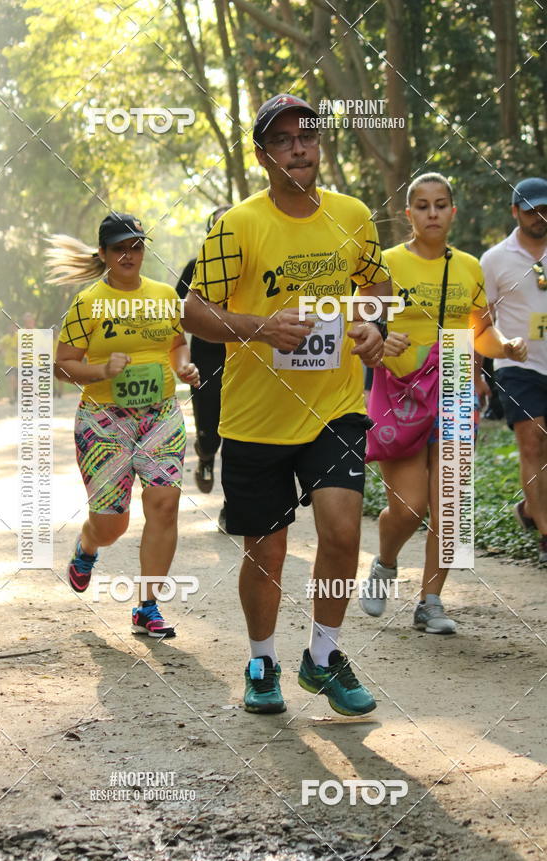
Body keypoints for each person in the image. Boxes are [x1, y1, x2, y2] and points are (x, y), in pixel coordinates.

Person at [183, 93, 396, 716]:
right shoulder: (239, 225)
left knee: (341, 531)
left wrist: (374, 325)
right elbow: (195, 310)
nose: (298, 146)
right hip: (255, 418)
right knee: (267, 548)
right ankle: (262, 660)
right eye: (283, 139)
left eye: (307, 134)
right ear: (262, 154)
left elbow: (377, 288)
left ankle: (324, 656)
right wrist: (259, 328)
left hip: (334, 407)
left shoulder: (353, 215)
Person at [360, 172, 528, 633]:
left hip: (455, 383)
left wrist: (506, 346)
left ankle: (431, 600)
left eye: (440, 205)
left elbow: (482, 333)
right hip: (400, 388)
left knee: (450, 502)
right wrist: (380, 337)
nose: (432, 213)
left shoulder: (470, 267)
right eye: (422, 205)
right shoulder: (386, 265)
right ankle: (386, 562)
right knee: (410, 506)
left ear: (453, 212)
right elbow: (362, 325)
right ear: (409, 213)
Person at [47, 211, 200, 636]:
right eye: (120, 248)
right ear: (104, 254)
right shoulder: (89, 303)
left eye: (136, 246)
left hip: (160, 415)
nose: (130, 254)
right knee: (113, 523)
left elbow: (176, 345)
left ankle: (146, 607)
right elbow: (62, 365)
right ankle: (87, 546)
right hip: (103, 420)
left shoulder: (165, 295)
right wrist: (101, 371)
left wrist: (185, 368)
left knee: (164, 503)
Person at [481, 177, 547, 565]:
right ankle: (545, 536)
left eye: (545, 210)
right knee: (533, 442)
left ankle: (529, 508)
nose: (539, 217)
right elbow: (481, 320)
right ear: (514, 212)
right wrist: (477, 373)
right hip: (516, 366)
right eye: (531, 211)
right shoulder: (495, 260)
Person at [176, 206, 230, 530]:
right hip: (205, 359)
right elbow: (176, 312)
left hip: (245, 358)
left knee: (240, 434)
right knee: (210, 428)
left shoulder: (255, 264)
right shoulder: (196, 267)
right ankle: (206, 454)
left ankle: (231, 505)